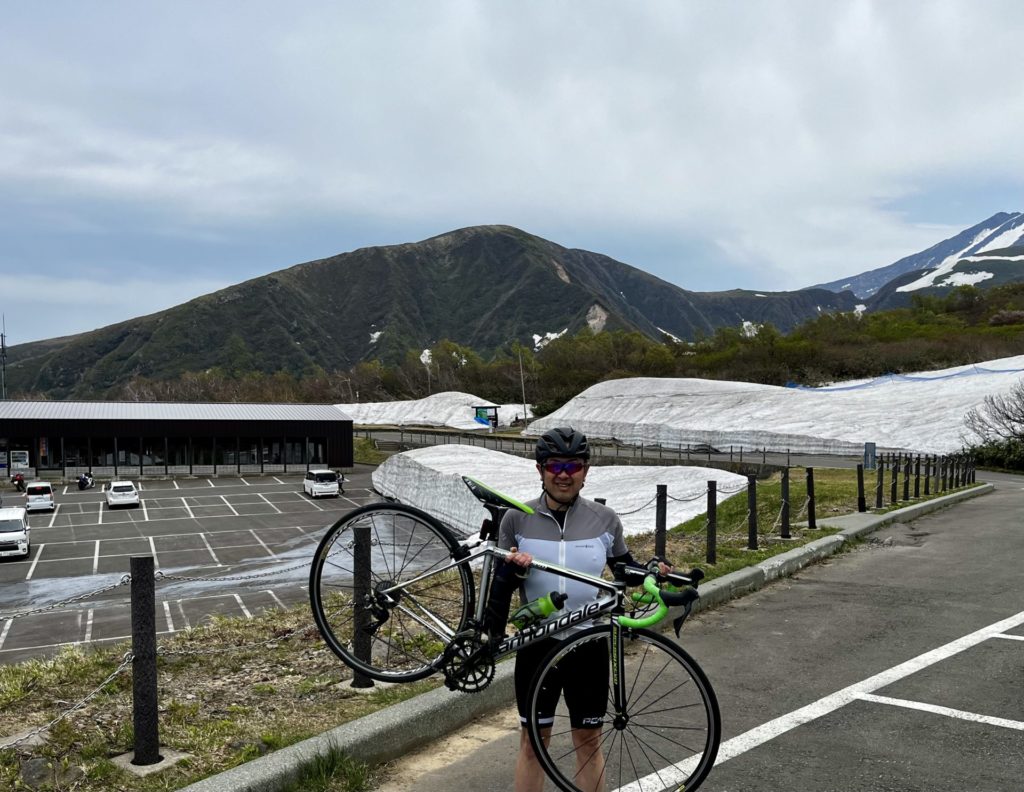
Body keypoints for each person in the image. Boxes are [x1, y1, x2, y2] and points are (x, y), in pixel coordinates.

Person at [487, 426, 669, 792]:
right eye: (555, 465)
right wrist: (510, 574)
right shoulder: (516, 520)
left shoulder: (605, 519)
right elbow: (499, 588)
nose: (564, 475)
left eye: (573, 466)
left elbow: (622, 569)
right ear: (540, 470)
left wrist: (652, 569)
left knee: (588, 743)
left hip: (589, 644)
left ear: (586, 471)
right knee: (533, 745)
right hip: (538, 644)